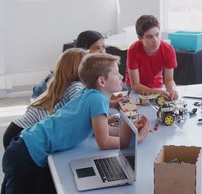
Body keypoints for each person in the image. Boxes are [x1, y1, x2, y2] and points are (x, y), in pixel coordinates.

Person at [2, 53, 151, 194]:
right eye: (116, 73)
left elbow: (101, 129)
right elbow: (104, 142)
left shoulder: (89, 93)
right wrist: (138, 139)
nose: (121, 76)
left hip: (25, 146)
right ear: (101, 81)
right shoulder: (98, 100)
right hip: (26, 154)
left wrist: (130, 131)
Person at [3, 48, 87, 149]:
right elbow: (83, 113)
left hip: (14, 131)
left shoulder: (59, 82)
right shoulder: (75, 86)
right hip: (21, 137)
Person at [32, 30, 106, 99]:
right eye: (96, 48)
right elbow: (82, 103)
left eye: (103, 47)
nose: (102, 52)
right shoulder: (75, 74)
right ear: (84, 50)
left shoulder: (90, 68)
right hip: (43, 101)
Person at [125, 14, 178, 100]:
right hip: (135, 88)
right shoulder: (133, 50)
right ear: (140, 38)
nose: (155, 40)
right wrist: (156, 92)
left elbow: (169, 80)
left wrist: (172, 90)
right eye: (149, 37)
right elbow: (135, 85)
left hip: (156, 86)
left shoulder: (168, 50)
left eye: (157, 35)